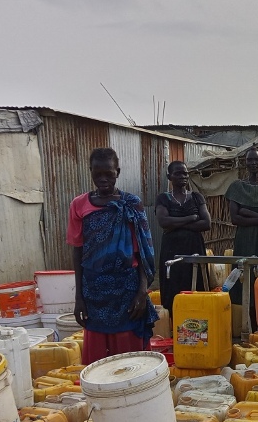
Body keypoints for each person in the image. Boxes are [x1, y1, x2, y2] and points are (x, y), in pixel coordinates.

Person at [68, 147, 158, 364]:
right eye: (97, 174)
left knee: (130, 361)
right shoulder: (79, 205)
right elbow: (77, 249)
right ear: (90, 171)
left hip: (127, 291)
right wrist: (79, 298)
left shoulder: (131, 204)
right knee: (97, 363)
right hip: (94, 293)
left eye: (108, 173)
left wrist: (142, 293)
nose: (103, 179)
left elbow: (143, 252)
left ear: (117, 171)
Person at [226, 148, 258, 331]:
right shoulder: (236, 188)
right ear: (245, 163)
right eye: (250, 160)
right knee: (246, 279)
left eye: (256, 159)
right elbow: (235, 219)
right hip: (245, 240)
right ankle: (250, 327)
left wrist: (247, 212)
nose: (253, 163)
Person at [155, 161, 211, 316]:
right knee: (172, 286)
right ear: (169, 176)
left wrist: (177, 224)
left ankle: (198, 327)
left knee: (196, 285)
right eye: (178, 173)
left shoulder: (196, 197)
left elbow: (206, 223)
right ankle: (174, 326)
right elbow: (164, 222)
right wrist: (191, 218)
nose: (183, 176)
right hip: (172, 252)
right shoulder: (163, 198)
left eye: (185, 173)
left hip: (194, 250)